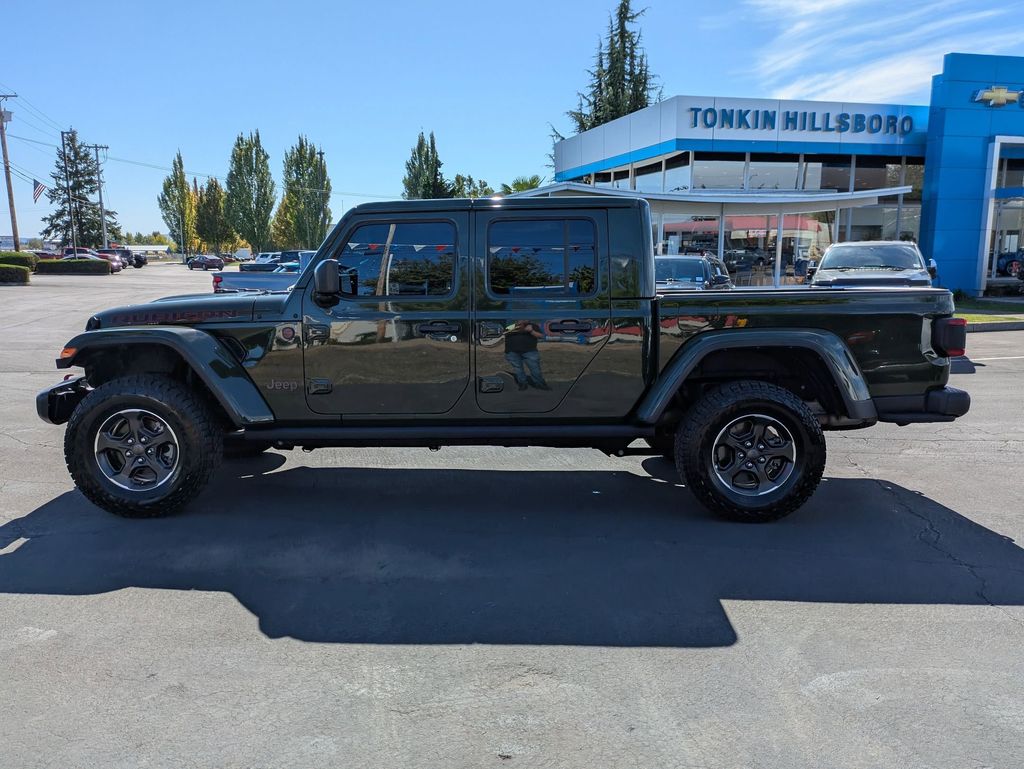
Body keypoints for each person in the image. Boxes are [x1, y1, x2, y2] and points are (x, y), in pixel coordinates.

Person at [504, 320, 549, 391]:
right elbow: (503, 332)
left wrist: (531, 331)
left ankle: (540, 384)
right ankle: (522, 384)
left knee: (535, 370)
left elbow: (541, 336)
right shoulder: (511, 326)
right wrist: (517, 326)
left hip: (530, 352)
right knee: (518, 370)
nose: (522, 319)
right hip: (512, 352)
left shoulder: (533, 326)